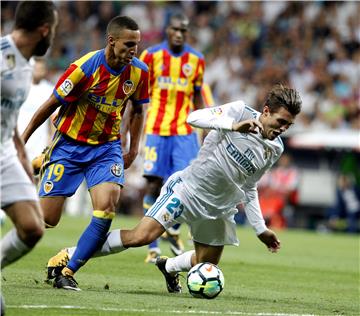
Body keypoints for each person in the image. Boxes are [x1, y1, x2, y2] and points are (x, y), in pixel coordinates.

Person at [47, 84, 302, 293]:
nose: (282, 129)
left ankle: (168, 266)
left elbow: (249, 186)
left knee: (207, 264)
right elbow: (194, 117)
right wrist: (232, 126)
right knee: (141, 236)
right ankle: (71, 255)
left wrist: (260, 229)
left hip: (219, 208)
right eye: (281, 121)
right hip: (187, 191)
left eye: (288, 125)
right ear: (266, 111)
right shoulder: (238, 112)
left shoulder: (275, 148)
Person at [22, 15, 149, 291]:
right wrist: (22, 140)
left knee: (106, 208)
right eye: (128, 44)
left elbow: (138, 109)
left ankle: (68, 271)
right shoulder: (83, 69)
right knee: (48, 219)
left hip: (106, 148)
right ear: (111, 41)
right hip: (69, 145)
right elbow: (48, 105)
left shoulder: (139, 72)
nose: (133, 51)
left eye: (136, 45)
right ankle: (41, 162)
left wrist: (134, 147)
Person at [139, 13, 206, 262]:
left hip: (184, 132)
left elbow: (197, 95)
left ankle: (173, 230)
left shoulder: (196, 60)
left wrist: (206, 124)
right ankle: (152, 245)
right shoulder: (151, 56)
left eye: (183, 30)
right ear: (167, 30)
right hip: (156, 130)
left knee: (185, 186)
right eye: (175, 29)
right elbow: (139, 94)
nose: (179, 34)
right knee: (154, 185)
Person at [1, 1, 58, 269]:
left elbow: (9, 122)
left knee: (33, 227)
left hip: (5, 154)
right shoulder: (2, 57)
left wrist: (23, 163)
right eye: (54, 29)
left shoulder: (27, 64)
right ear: (45, 30)